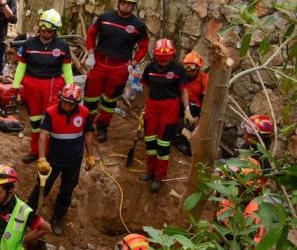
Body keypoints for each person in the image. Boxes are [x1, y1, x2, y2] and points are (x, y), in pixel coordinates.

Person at [27, 84, 94, 236]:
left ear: (76, 103)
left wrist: (90, 155)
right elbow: (43, 135)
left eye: (70, 104)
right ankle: (28, 213)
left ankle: (57, 217)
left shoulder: (84, 113)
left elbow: (88, 133)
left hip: (74, 160)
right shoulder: (51, 113)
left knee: (67, 190)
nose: (66, 106)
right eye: (64, 102)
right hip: (54, 158)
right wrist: (42, 158)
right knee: (43, 185)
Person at [12, 9, 74, 164]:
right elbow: (21, 66)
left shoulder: (62, 45)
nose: (46, 33)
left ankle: (52, 152)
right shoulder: (29, 44)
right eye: (43, 30)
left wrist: (71, 87)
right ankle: (35, 151)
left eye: (50, 31)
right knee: (35, 121)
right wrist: (15, 85)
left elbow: (67, 68)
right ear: (39, 28)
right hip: (32, 85)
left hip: (53, 85)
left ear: (55, 31)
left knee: (51, 120)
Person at [83, 0, 149, 143]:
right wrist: (90, 54)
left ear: (134, 6)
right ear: (118, 3)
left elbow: (143, 46)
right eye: (123, 2)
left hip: (119, 69)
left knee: (109, 100)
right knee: (90, 97)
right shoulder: (105, 18)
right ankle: (87, 124)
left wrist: (134, 63)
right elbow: (91, 34)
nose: (126, 6)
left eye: (129, 4)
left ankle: (102, 126)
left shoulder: (138, 26)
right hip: (98, 65)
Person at [139, 38, 191, 193]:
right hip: (153, 106)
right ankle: (150, 171)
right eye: (160, 57)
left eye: (166, 57)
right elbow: (146, 86)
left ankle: (159, 177)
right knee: (150, 141)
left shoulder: (178, 69)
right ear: (155, 55)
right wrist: (146, 105)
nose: (163, 60)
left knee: (163, 143)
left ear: (172, 55)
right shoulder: (149, 68)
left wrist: (187, 110)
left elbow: (183, 90)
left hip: (170, 107)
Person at [172, 50, 208, 156]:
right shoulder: (180, 75)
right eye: (186, 69)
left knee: (191, 117)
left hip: (194, 107)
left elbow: (205, 98)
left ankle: (185, 142)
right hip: (179, 102)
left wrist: (201, 116)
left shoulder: (203, 78)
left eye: (192, 70)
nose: (189, 72)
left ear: (198, 68)